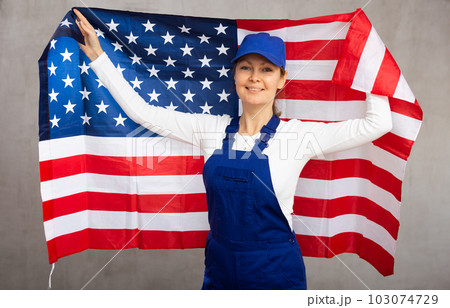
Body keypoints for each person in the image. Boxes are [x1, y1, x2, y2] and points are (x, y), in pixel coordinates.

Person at [73, 8, 392, 290]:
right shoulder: (210, 130)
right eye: (246, 68)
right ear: (235, 75)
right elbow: (142, 112)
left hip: (275, 273)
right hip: (220, 271)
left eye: (267, 70)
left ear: (282, 80)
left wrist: (372, 68)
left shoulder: (299, 135)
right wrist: (100, 58)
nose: (255, 78)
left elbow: (377, 124)